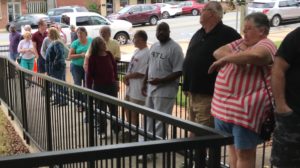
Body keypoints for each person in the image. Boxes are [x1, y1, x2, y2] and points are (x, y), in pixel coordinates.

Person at [208, 12, 277, 168]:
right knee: (232, 150)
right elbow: (218, 52)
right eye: (244, 29)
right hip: (224, 110)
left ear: (262, 30)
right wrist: (238, 58)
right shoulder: (240, 43)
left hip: (245, 111)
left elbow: (257, 56)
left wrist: (228, 58)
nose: (244, 33)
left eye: (248, 29)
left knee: (244, 154)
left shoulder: (267, 45)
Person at [183, 1, 240, 129]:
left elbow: (241, 56)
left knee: (205, 133)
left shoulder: (228, 34)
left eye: (204, 9)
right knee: (193, 129)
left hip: (208, 94)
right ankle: (194, 150)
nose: (200, 12)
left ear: (213, 14)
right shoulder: (200, 32)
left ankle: (205, 150)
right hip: (192, 92)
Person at [142, 22, 184, 140]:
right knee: (148, 119)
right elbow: (149, 65)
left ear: (169, 32)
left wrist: (160, 81)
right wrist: (144, 82)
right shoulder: (154, 46)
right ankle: (145, 146)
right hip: (151, 89)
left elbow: (179, 71)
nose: (160, 32)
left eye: (163, 30)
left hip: (165, 92)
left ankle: (155, 150)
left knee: (160, 122)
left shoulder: (175, 48)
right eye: (158, 30)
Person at [270, 27, 300, 167]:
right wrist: (281, 106)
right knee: (286, 162)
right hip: (293, 116)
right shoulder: (296, 36)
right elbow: (277, 69)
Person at [86, 37, 119, 137]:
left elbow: (114, 68)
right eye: (102, 43)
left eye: (104, 43)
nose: (104, 44)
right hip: (99, 87)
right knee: (101, 110)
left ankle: (116, 129)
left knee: (114, 109)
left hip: (111, 86)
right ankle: (102, 131)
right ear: (97, 46)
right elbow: (89, 75)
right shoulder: (92, 58)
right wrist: (89, 89)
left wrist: (116, 81)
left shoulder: (109, 54)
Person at [121, 30, 150, 141]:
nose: (133, 40)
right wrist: (127, 77)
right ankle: (131, 130)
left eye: (135, 38)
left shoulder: (146, 53)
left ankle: (136, 134)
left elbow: (141, 73)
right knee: (127, 108)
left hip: (138, 89)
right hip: (130, 87)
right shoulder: (137, 51)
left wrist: (128, 77)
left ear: (141, 39)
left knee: (134, 112)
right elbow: (132, 67)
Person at [68, 27, 92, 111]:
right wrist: (80, 55)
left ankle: (87, 104)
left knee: (87, 86)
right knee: (77, 85)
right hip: (76, 67)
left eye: (81, 33)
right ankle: (79, 104)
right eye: (78, 33)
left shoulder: (90, 40)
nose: (79, 35)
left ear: (85, 33)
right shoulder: (75, 43)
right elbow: (69, 57)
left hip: (87, 67)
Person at [45, 28, 68, 106]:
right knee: (56, 84)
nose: (48, 35)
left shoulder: (57, 43)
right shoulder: (54, 42)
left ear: (52, 34)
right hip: (54, 67)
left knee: (59, 83)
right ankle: (58, 99)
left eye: (49, 33)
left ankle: (63, 100)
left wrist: (54, 63)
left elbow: (60, 54)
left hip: (57, 67)